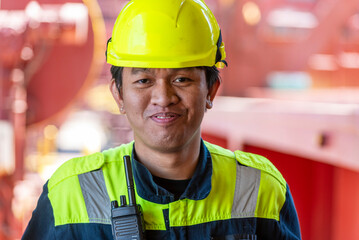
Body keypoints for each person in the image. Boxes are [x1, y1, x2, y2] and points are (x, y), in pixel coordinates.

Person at [22, 0, 301, 239]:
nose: (163, 96)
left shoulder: (261, 189)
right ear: (118, 94)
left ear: (211, 90)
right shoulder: (68, 196)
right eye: (144, 80)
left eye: (182, 79)